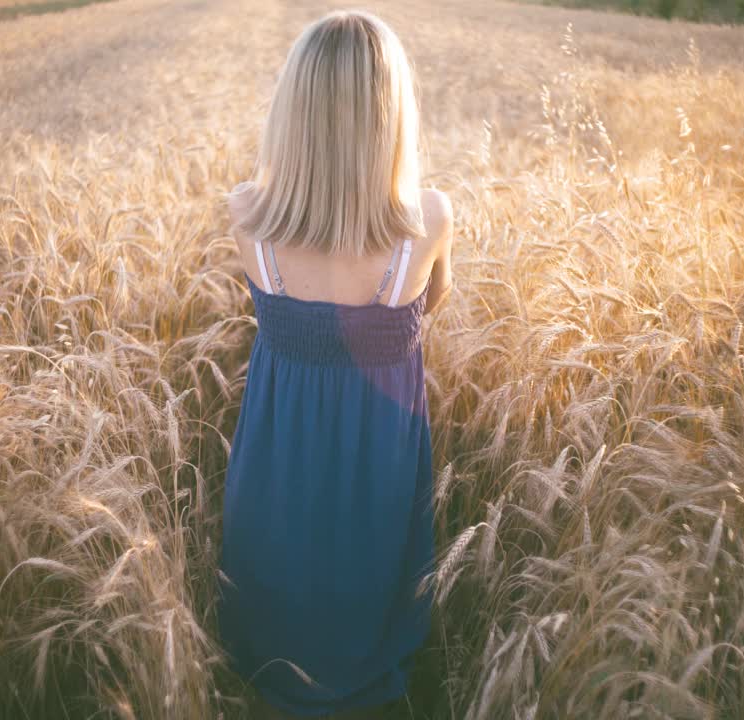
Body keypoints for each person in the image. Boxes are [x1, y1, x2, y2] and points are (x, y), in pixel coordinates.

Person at [214, 8, 455, 719]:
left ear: (295, 110)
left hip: (276, 466)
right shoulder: (431, 220)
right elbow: (432, 302)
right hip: (377, 469)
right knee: (372, 598)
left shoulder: (248, 215)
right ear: (393, 115)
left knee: (275, 605)